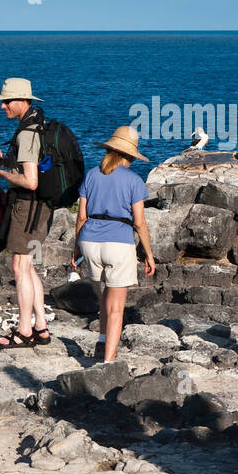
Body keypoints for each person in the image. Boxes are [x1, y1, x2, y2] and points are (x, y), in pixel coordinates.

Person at [71, 126, 156, 362]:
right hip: (118, 244)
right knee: (117, 306)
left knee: (106, 292)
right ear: (130, 155)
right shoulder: (134, 180)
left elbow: (81, 216)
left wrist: (76, 247)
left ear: (109, 149)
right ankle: (108, 362)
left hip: (90, 242)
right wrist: (148, 254)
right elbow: (139, 223)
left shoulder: (92, 174)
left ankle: (101, 339)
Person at [0, 77, 53, 349]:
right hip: (41, 206)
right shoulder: (39, 123)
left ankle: (24, 331)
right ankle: (41, 327)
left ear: (21, 101)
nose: (2, 106)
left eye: (6, 101)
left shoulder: (26, 133)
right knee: (28, 265)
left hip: (28, 205)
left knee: (19, 266)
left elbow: (31, 180)